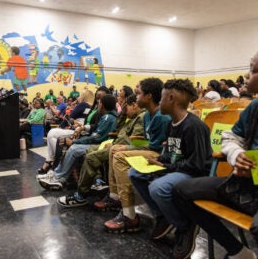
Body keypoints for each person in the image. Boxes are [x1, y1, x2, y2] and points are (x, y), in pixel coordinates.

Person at [172, 44, 258, 259]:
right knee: (181, 191)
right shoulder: (255, 107)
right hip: (248, 184)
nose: (246, 75)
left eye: (254, 70)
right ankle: (238, 251)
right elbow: (230, 137)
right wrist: (237, 155)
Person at [129, 79, 212, 240]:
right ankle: (164, 215)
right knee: (135, 173)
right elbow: (174, 153)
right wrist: (160, 159)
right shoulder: (171, 124)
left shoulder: (194, 126)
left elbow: (196, 164)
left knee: (157, 188)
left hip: (195, 174)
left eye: (161, 98)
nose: (159, 103)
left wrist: (165, 166)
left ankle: (184, 226)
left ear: (171, 98)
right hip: (178, 167)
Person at [96, 78, 171, 234]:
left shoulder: (161, 117)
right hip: (151, 148)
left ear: (149, 96)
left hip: (161, 154)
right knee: (114, 149)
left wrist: (128, 147)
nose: (136, 98)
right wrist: (126, 146)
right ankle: (115, 197)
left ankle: (129, 215)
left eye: (139, 94)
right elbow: (147, 141)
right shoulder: (148, 116)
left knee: (119, 156)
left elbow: (156, 146)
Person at [57, 94, 145, 207]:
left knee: (91, 157)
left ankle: (80, 195)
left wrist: (117, 145)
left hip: (122, 148)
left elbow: (138, 141)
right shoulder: (133, 117)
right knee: (89, 150)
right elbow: (118, 128)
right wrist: (123, 113)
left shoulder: (141, 118)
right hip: (116, 144)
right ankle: (98, 181)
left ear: (134, 106)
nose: (124, 109)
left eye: (126, 107)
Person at [39, 94, 118, 189]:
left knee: (74, 149)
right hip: (99, 142)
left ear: (103, 105)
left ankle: (57, 176)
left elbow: (95, 138)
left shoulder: (107, 118)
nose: (98, 103)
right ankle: (60, 176)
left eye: (100, 102)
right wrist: (81, 129)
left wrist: (74, 142)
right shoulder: (108, 116)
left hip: (100, 145)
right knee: (68, 144)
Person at [36, 86, 109, 175]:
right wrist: (80, 126)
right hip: (80, 130)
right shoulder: (93, 108)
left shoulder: (86, 106)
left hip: (84, 133)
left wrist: (76, 127)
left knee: (52, 134)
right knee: (55, 137)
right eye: (97, 98)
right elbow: (88, 123)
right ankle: (53, 163)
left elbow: (68, 116)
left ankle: (57, 163)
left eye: (59, 98)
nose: (78, 97)